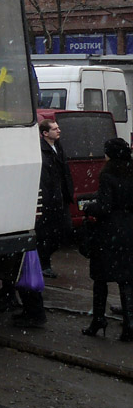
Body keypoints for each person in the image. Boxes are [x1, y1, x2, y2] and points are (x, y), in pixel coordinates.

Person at [79, 137, 133, 341]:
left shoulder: (108, 174)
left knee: (100, 277)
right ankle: (129, 324)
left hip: (110, 232)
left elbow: (104, 207)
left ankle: (98, 320)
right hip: (130, 229)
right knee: (127, 278)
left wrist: (88, 208)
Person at [36, 118, 74, 279]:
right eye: (55, 129)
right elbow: (45, 178)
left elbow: (64, 172)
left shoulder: (58, 146)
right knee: (46, 234)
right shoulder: (41, 150)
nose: (59, 131)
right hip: (49, 200)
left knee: (64, 231)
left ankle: (43, 261)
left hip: (61, 198)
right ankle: (43, 264)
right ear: (45, 133)